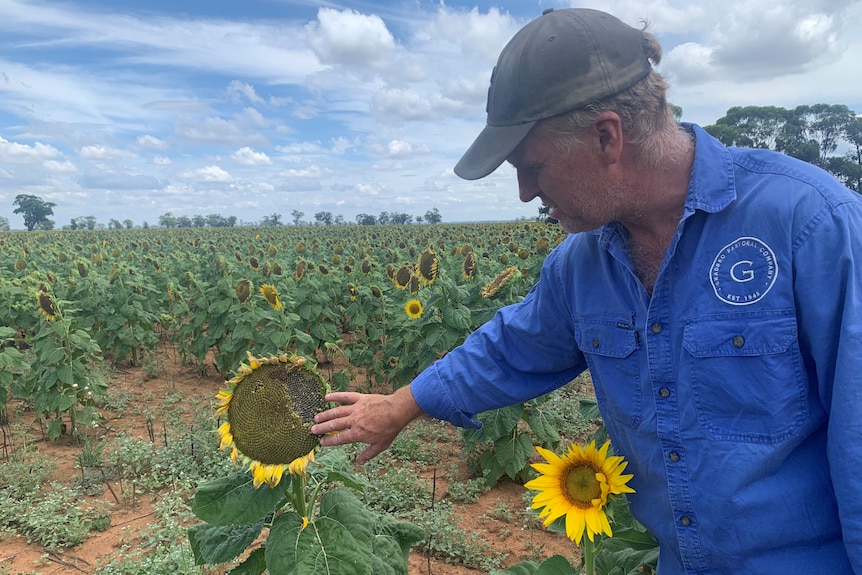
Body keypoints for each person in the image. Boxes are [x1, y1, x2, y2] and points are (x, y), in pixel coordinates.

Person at [311, 7, 862, 574]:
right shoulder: (582, 263)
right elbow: (511, 348)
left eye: (532, 166)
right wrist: (400, 406)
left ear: (607, 136)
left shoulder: (810, 224)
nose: (526, 193)